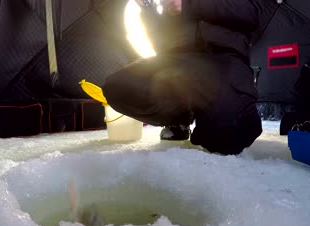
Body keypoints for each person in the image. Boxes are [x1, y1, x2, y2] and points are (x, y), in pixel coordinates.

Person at [103, 0, 263, 155]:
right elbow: (160, 42)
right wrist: (148, 8)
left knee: (228, 137)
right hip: (177, 60)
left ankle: (223, 113)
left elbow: (252, 11)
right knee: (118, 87)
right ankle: (179, 118)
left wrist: (189, 4)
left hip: (223, 59)